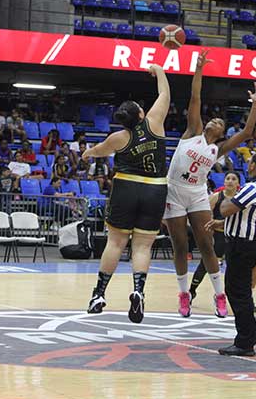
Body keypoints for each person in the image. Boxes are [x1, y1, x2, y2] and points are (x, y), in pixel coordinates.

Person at [164, 51, 256, 319]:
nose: (214, 121)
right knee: (180, 246)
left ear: (221, 133)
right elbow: (195, 97)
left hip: (196, 193)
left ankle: (220, 296)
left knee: (206, 244)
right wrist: (198, 69)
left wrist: (255, 103)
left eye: (220, 122)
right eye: (214, 119)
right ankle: (184, 295)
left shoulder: (217, 149)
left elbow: (245, 133)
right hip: (173, 190)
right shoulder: (193, 131)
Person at [82, 65, 170, 324]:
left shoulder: (118, 137)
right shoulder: (155, 123)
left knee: (116, 243)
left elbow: (98, 151)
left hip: (126, 187)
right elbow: (165, 93)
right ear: (141, 113)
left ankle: (99, 295)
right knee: (142, 246)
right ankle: (138, 291)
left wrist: (87, 153)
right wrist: (159, 71)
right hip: (155, 188)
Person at [204, 151, 256, 357]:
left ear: (254, 167)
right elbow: (243, 214)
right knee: (242, 289)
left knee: (236, 291)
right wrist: (223, 223)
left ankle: (245, 340)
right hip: (251, 241)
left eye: (250, 161)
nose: (248, 163)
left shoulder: (253, 187)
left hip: (242, 244)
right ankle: (252, 330)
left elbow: (226, 207)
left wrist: (226, 205)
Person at [188, 171, 238, 302]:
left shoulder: (241, 199)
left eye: (234, 179)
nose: (230, 181)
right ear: (224, 182)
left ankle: (232, 296)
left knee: (235, 268)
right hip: (217, 235)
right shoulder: (216, 197)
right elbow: (205, 215)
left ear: (238, 183)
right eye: (228, 178)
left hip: (234, 237)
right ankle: (192, 291)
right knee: (204, 265)